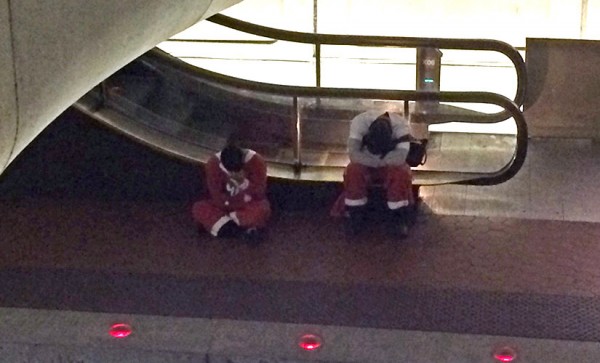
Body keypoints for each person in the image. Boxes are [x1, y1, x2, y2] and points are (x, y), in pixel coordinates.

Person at [331, 110, 415, 238]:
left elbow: (400, 158)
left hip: (387, 161)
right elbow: (353, 154)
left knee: (400, 173)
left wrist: (375, 162)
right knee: (353, 171)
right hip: (372, 161)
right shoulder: (359, 122)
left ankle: (398, 218)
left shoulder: (401, 126)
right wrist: (377, 162)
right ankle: (355, 217)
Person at [192, 144, 271, 242]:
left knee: (262, 208)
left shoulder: (256, 161)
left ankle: (227, 228)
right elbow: (215, 194)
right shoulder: (213, 164)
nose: (233, 174)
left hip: (246, 205)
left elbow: (259, 193)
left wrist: (243, 183)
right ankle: (243, 230)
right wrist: (228, 204)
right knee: (199, 208)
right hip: (222, 206)